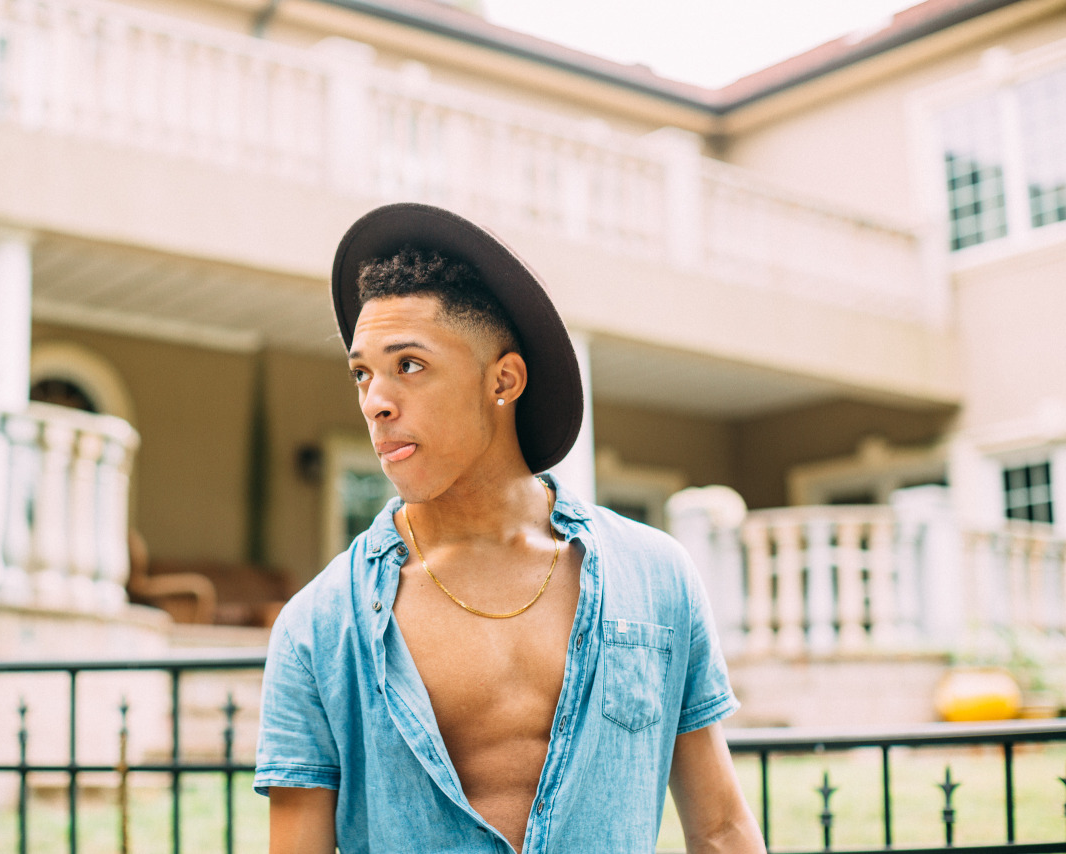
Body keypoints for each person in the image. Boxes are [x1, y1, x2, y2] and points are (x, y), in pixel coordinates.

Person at [254, 203, 765, 854]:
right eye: (362, 373)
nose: (375, 401)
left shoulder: (654, 576)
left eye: (408, 365)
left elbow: (720, 829)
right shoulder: (318, 627)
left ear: (504, 379)